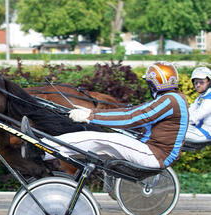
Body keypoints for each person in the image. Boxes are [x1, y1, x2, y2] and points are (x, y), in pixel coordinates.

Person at [43, 62, 189, 169]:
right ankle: (47, 148)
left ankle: (43, 147)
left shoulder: (171, 100)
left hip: (154, 155)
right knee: (97, 145)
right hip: (151, 151)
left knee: (99, 138)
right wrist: (92, 112)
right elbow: (129, 112)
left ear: (154, 84)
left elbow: (132, 117)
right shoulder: (171, 99)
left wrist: (90, 117)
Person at [185, 66, 211, 143]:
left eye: (201, 82)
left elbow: (194, 117)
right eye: (196, 82)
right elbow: (189, 111)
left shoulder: (209, 99)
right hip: (198, 130)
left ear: (209, 82)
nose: (198, 85)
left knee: (169, 131)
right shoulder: (202, 96)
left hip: (205, 134)